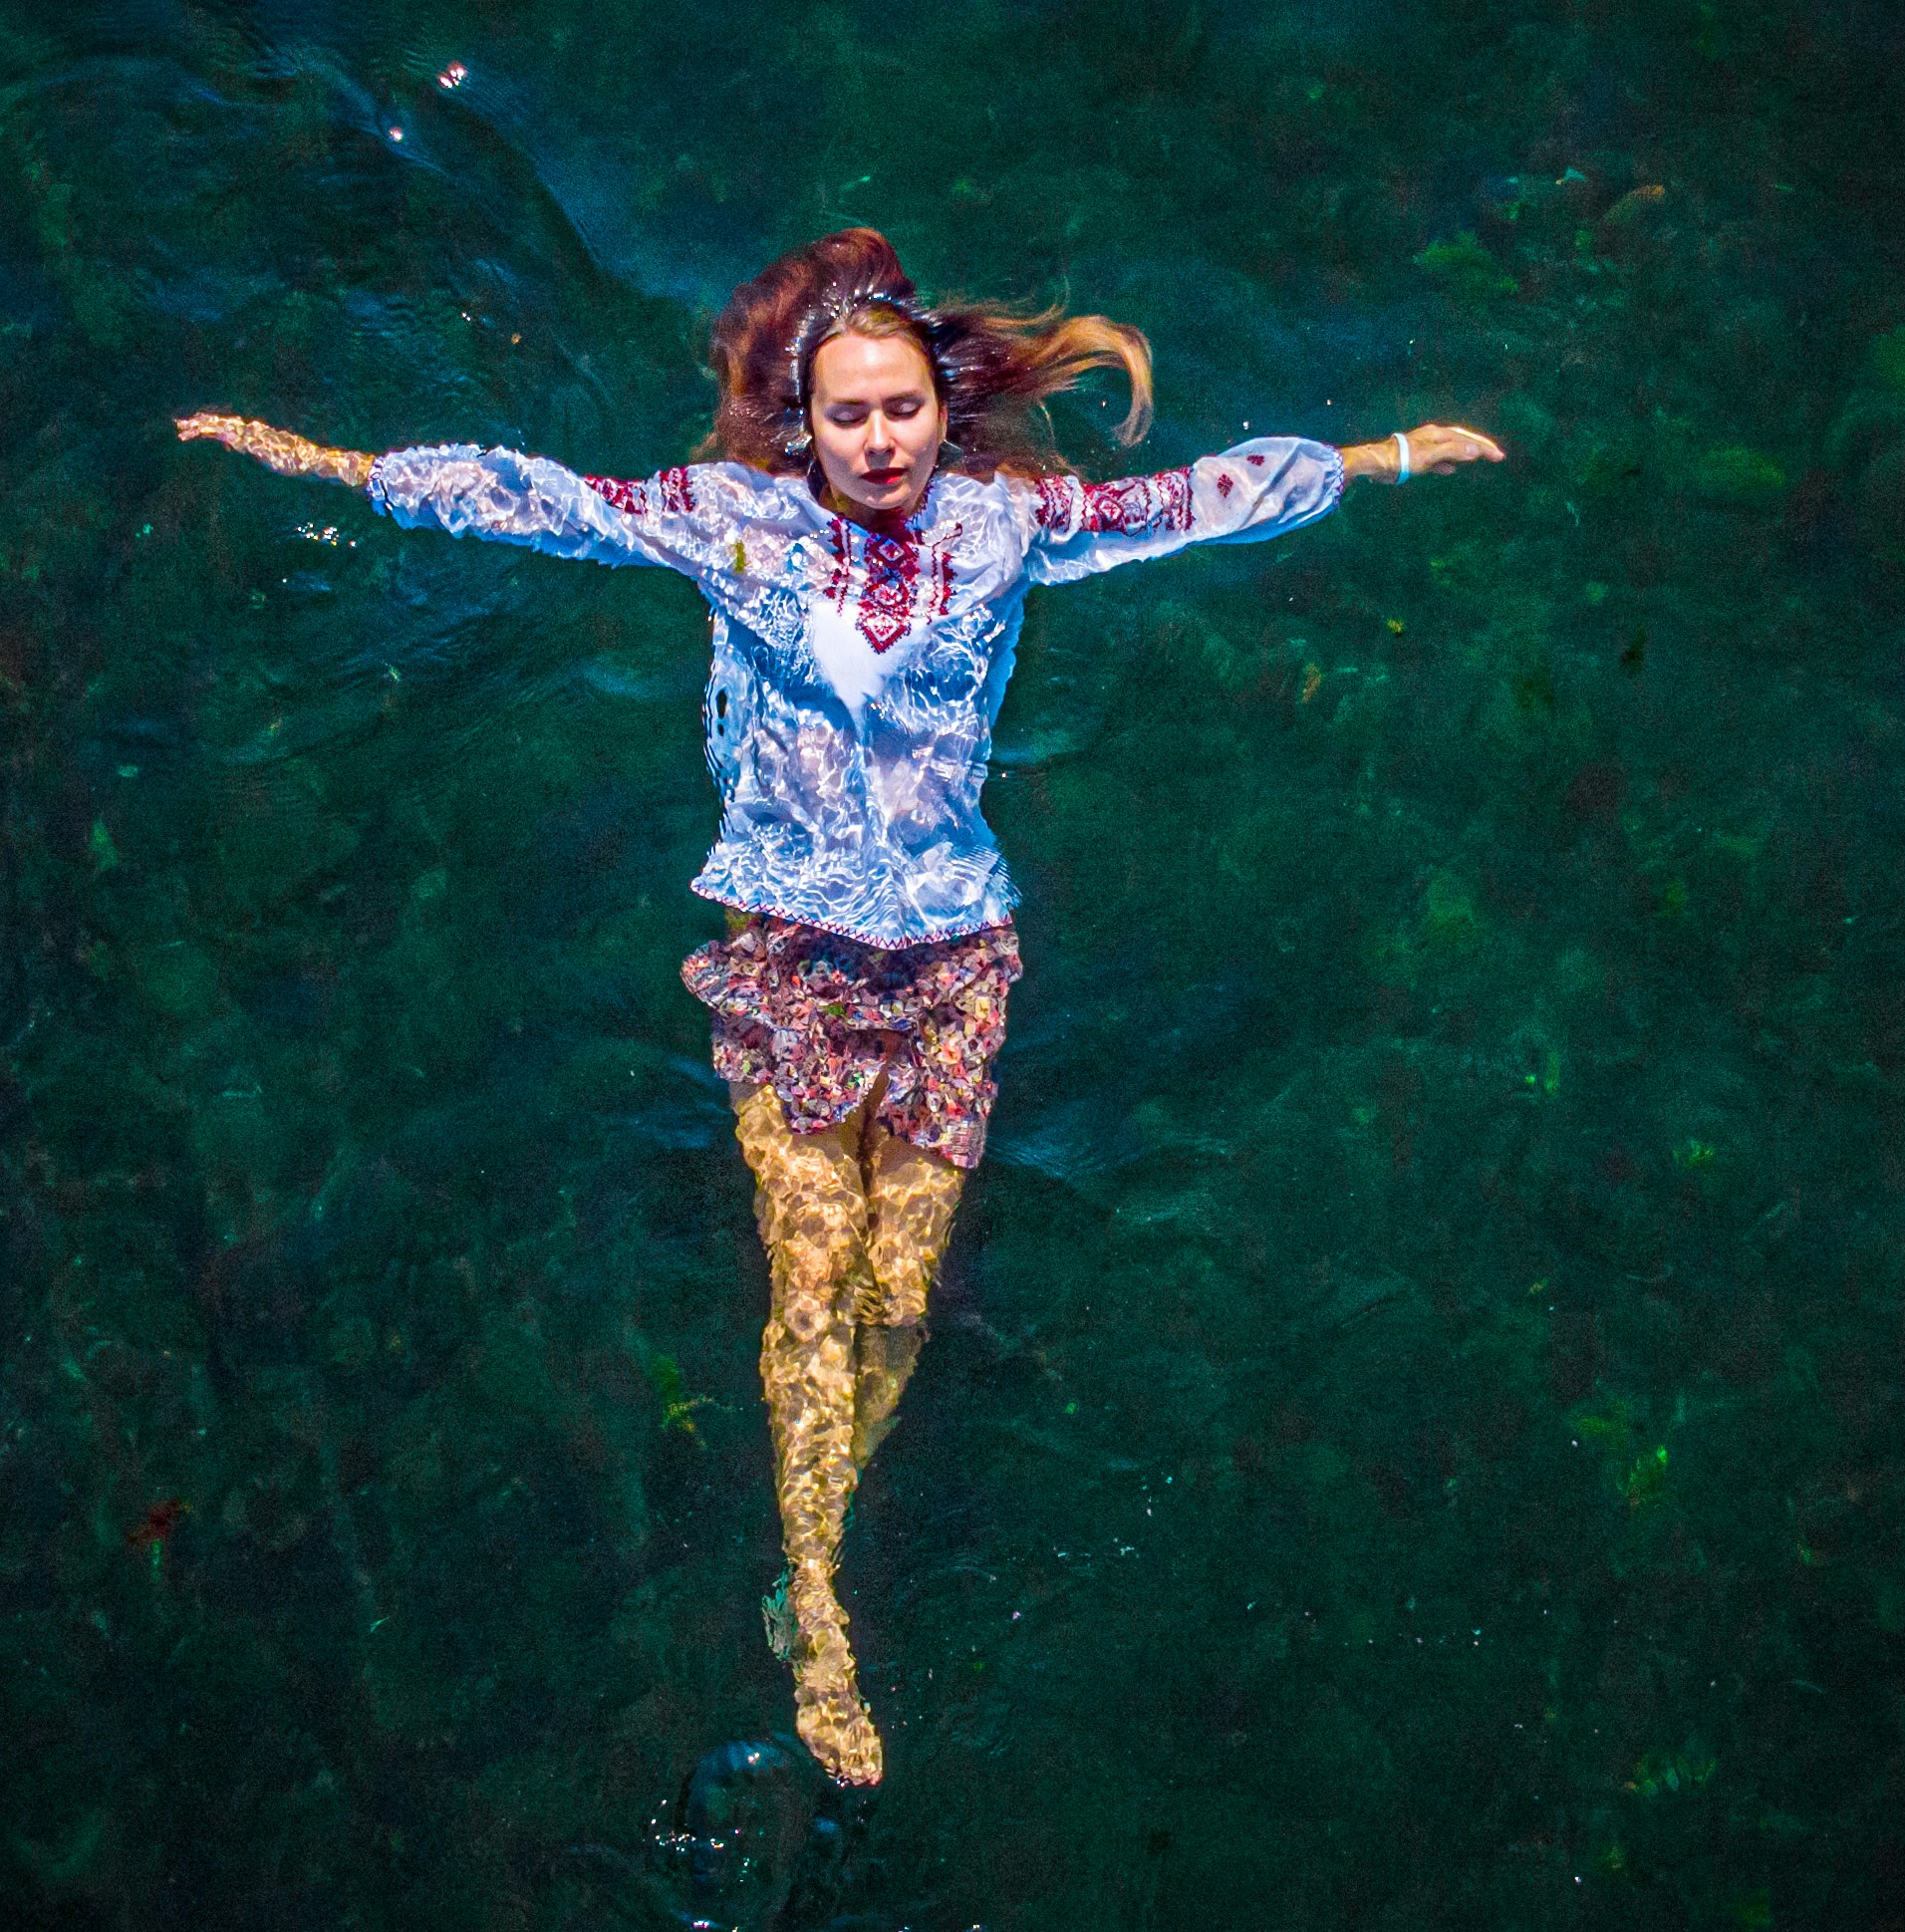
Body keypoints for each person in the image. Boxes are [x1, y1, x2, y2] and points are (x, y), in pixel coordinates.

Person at [179, 228, 1502, 1788]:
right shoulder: (727, 523)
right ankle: (818, 1610)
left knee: (899, 1295)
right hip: (793, 944)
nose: (878, 442)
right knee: (810, 1287)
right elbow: (533, 497)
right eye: (848, 417)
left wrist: (1390, 452)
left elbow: (1195, 504)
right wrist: (325, 462)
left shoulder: (1012, 529)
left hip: (956, 952)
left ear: (942, 410)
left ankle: (818, 1522)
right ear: (803, 424)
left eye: (902, 412)